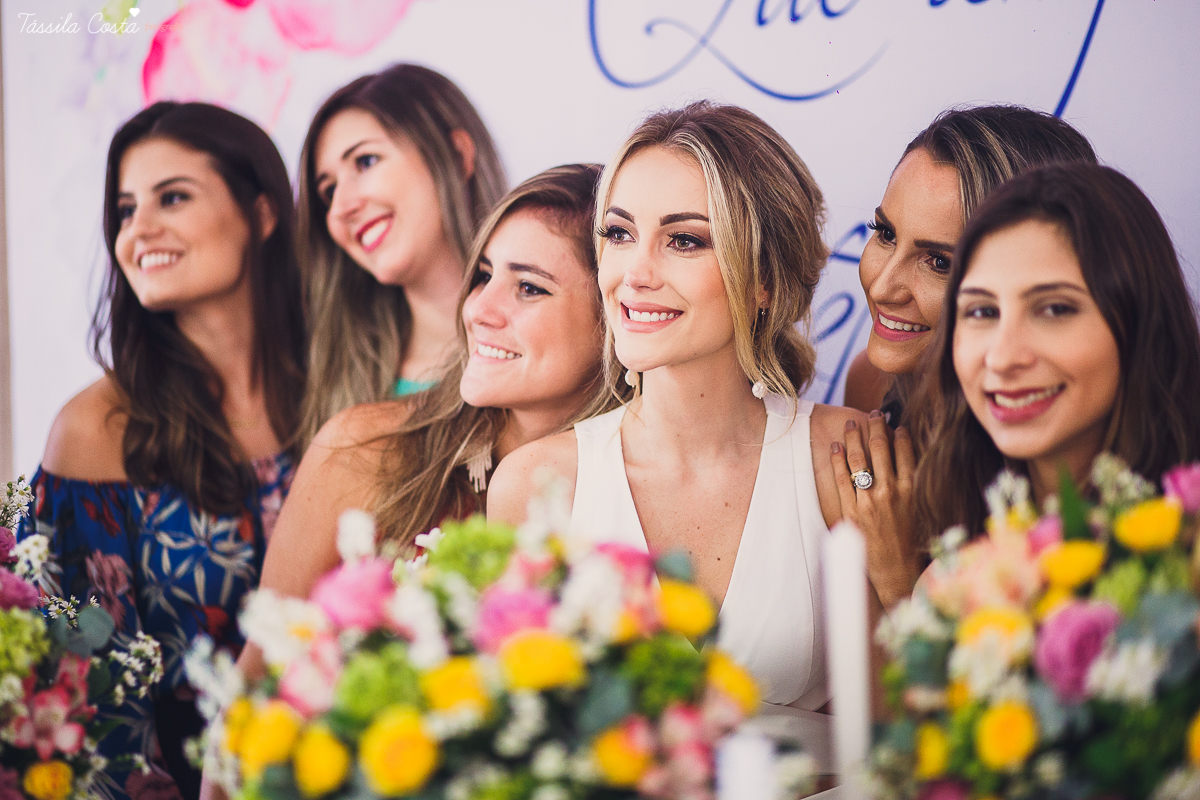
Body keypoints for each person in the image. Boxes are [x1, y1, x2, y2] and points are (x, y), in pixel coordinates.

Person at [487, 103, 865, 757]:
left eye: (684, 239)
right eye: (619, 233)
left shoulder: (845, 456)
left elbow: (897, 736)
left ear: (765, 279)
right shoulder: (537, 486)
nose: (635, 273)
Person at [17, 102, 306, 800]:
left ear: (262, 213)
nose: (137, 230)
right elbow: (91, 698)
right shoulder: (96, 429)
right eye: (124, 208)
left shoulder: (346, 389)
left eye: (172, 196)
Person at [249, 164, 627, 617]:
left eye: (528, 287)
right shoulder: (362, 450)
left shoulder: (645, 488)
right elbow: (260, 669)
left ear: (616, 315)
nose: (478, 309)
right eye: (484, 276)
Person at [832, 106, 1097, 606]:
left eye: (937, 262)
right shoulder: (871, 384)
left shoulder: (1072, 438)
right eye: (885, 233)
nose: (884, 285)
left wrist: (897, 578)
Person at [913, 162, 1200, 537]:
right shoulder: (957, 580)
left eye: (1054, 309)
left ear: (1141, 320)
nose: (1002, 358)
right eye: (982, 311)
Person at [297, 63, 507, 448]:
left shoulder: (565, 338)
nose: (340, 207)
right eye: (327, 191)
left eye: (365, 161)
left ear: (456, 154)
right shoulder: (332, 378)